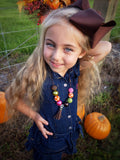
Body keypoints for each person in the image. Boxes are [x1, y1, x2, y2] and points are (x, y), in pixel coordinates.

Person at [5, 0, 116, 159]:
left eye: (68, 48)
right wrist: (35, 116)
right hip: (49, 140)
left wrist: (82, 43)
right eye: (50, 44)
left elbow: (106, 47)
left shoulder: (75, 67)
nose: (56, 57)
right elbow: (11, 96)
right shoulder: (39, 72)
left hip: (70, 132)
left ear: (81, 52)